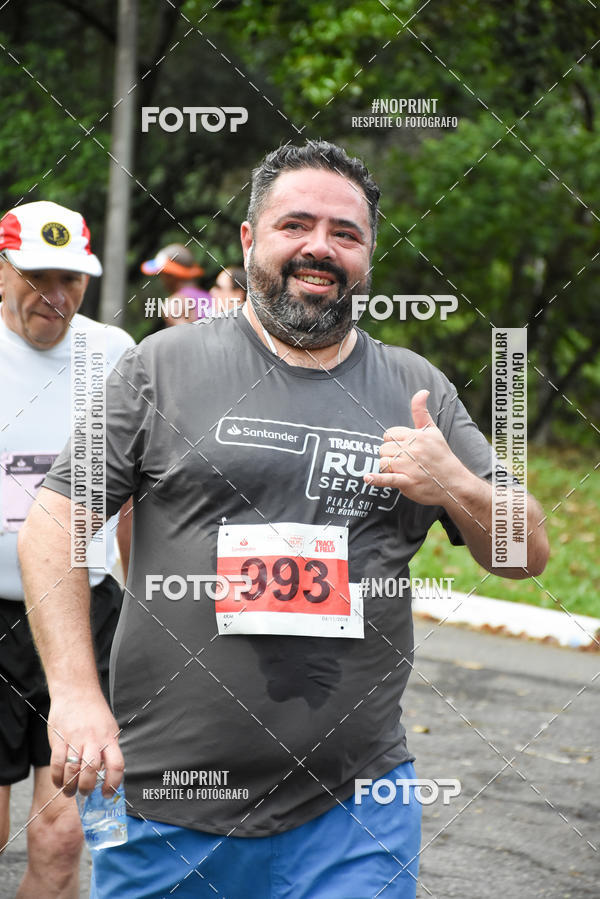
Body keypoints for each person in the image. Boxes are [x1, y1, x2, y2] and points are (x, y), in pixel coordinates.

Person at [18, 143, 549, 899]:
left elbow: (525, 552)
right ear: (247, 239)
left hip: (356, 804)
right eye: (295, 224)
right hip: (168, 797)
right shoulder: (158, 367)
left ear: (369, 253)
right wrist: (74, 692)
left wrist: (456, 482)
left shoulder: (416, 388)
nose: (319, 247)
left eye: (345, 233)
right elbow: (55, 524)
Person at [0, 200, 134, 897]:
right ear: (1, 271)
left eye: (71, 279)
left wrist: (151, 600)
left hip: (87, 611)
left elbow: (138, 492)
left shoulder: (112, 354)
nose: (54, 295)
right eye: (37, 275)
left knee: (65, 833)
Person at [141, 242, 212, 326]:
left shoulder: (174, 305)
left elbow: (186, 337)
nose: (161, 280)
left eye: (162, 274)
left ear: (170, 275)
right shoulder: (214, 297)